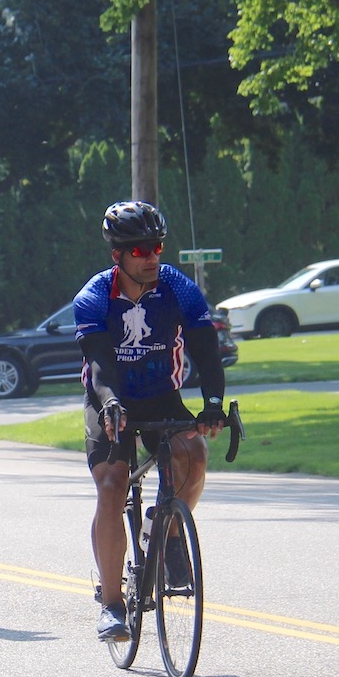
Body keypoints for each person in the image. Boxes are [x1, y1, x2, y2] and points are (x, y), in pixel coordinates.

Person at [76, 201, 226, 643]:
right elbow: (100, 365)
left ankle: (167, 530)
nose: (152, 257)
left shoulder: (179, 289)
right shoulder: (94, 296)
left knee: (193, 455)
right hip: (109, 398)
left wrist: (213, 402)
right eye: (140, 250)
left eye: (157, 247)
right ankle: (111, 602)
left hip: (162, 395)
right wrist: (109, 405)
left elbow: (205, 352)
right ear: (117, 256)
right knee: (111, 485)